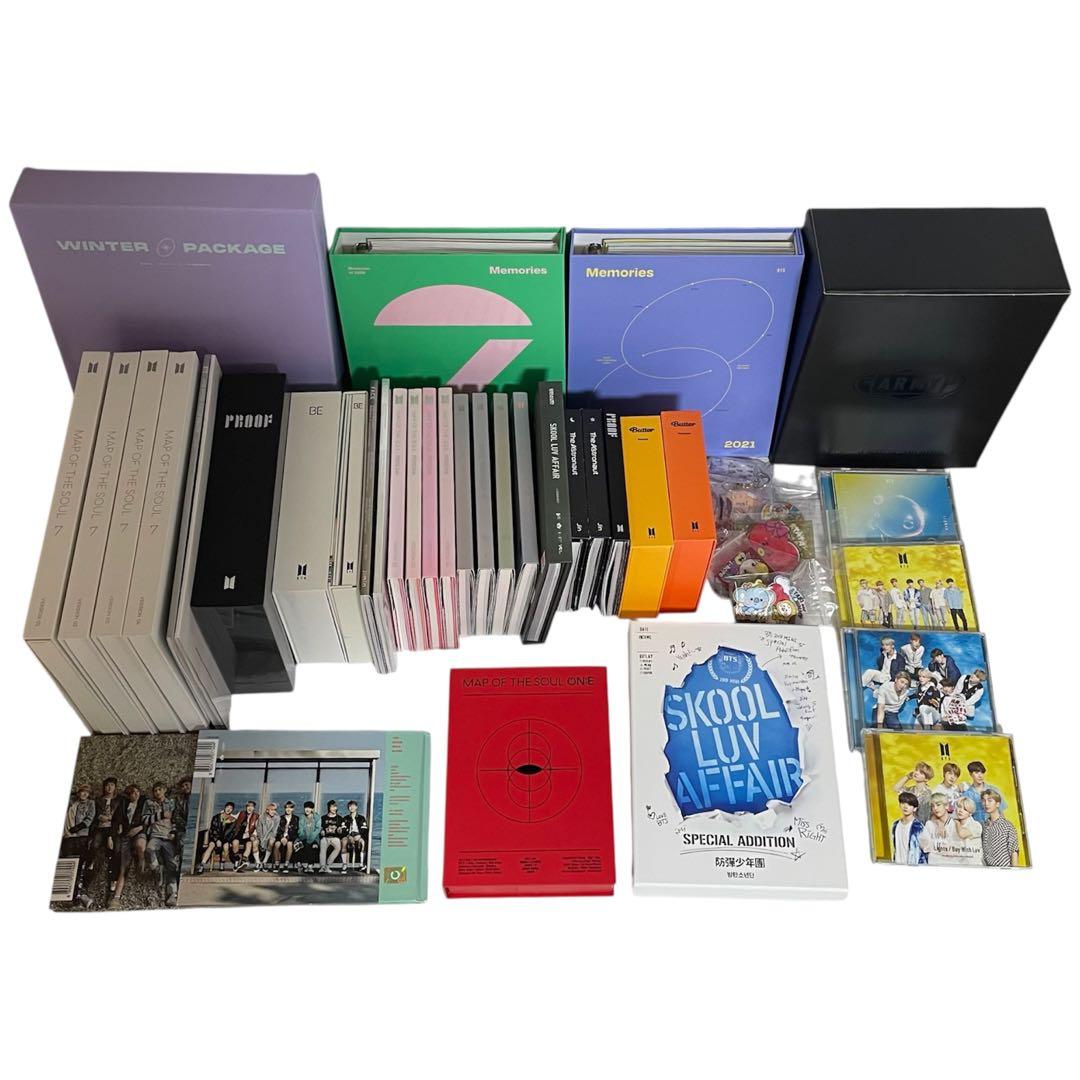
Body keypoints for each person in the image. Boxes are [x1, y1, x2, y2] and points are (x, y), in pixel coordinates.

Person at [110, 784, 148, 906]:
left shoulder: (144, 803)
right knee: (124, 867)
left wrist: (140, 828)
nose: (136, 794)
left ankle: (142, 864)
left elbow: (150, 819)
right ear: (128, 795)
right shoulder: (123, 805)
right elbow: (116, 820)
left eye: (137, 792)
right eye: (132, 793)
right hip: (126, 835)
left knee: (140, 845)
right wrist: (119, 828)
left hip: (140, 832)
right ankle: (116, 898)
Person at [143, 782, 180, 907]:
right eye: (155, 790)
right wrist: (160, 815)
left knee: (172, 865)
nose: (157, 792)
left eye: (159, 790)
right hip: (155, 836)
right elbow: (145, 820)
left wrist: (174, 833)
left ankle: (172, 894)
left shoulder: (171, 803)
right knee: (149, 850)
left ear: (164, 790)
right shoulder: (149, 803)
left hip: (168, 837)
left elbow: (175, 819)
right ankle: (156, 869)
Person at [981, 790, 1019, 867]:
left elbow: (1014, 851)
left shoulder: (1007, 826)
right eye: (984, 801)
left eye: (990, 800)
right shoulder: (984, 826)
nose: (986, 804)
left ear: (997, 804)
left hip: (1005, 869)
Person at [197, 801, 237, 872]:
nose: (228, 809)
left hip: (225, 839)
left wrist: (225, 840)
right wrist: (217, 840)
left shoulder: (233, 820)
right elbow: (213, 830)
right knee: (211, 845)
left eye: (231, 808)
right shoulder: (216, 817)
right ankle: (202, 864)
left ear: (232, 810)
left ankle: (222, 863)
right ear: (224, 808)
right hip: (215, 838)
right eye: (227, 807)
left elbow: (231, 833)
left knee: (226, 847)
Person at [945, 796, 984, 866]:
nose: (960, 810)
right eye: (959, 807)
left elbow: (962, 834)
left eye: (965, 809)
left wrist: (957, 822)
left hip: (973, 864)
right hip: (956, 863)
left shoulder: (976, 826)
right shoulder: (951, 824)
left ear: (970, 813)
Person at [891, 791, 927, 865]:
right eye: (903, 803)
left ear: (915, 809)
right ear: (900, 805)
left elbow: (927, 849)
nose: (905, 807)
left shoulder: (918, 827)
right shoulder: (895, 825)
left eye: (909, 804)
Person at [918, 793, 953, 864]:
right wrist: (943, 845)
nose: (935, 808)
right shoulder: (929, 824)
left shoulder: (955, 823)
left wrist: (934, 843)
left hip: (953, 864)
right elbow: (924, 845)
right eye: (932, 806)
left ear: (946, 806)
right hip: (933, 864)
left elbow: (957, 848)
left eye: (938, 805)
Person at [232, 801, 260, 869]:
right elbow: (234, 817)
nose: (250, 808)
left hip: (249, 835)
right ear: (246, 807)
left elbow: (257, 827)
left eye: (251, 806)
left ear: (254, 808)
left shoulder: (256, 816)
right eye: (248, 806)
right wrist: (226, 813)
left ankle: (243, 861)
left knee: (249, 845)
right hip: (239, 834)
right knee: (235, 843)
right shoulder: (241, 813)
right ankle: (236, 861)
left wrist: (254, 835)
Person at [341, 800, 368, 871]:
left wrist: (359, 835)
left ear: (356, 807)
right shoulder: (345, 818)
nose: (351, 807)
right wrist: (348, 836)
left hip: (358, 835)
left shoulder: (361, 818)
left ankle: (361, 864)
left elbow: (364, 829)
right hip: (348, 835)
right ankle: (344, 864)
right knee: (343, 842)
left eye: (353, 806)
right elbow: (343, 829)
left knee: (363, 842)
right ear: (348, 808)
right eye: (350, 806)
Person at [273, 801, 299, 871]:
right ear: (284, 808)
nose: (288, 809)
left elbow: (296, 832)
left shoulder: (296, 819)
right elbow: (277, 830)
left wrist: (287, 838)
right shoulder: (280, 818)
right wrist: (282, 837)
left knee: (289, 844)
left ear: (293, 809)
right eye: (287, 807)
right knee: (277, 844)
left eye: (290, 808)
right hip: (280, 837)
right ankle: (276, 864)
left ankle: (286, 865)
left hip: (291, 838)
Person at [319, 800, 344, 871]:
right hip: (325, 837)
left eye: (335, 807)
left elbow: (342, 830)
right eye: (332, 807)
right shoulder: (323, 818)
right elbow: (321, 828)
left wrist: (340, 830)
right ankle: (322, 867)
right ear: (329, 808)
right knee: (323, 848)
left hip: (335, 837)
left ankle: (327, 865)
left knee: (338, 848)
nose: (334, 808)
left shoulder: (339, 818)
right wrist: (321, 831)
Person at [254, 802, 279, 871]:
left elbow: (274, 831)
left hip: (269, 836)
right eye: (271, 810)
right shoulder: (262, 817)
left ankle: (264, 862)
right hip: (261, 836)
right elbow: (259, 829)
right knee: (255, 842)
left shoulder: (277, 818)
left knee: (271, 841)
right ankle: (258, 863)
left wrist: (266, 839)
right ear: (267, 810)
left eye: (275, 810)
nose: (273, 811)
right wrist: (262, 838)